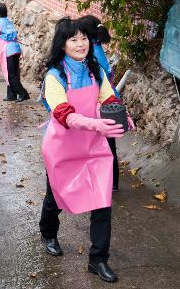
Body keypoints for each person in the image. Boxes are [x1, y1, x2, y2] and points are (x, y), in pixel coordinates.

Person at [39, 17, 134, 283]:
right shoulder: (55, 76)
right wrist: (98, 125)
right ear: (62, 44)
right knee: (55, 198)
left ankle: (98, 259)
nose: (81, 44)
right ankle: (48, 233)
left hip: (94, 147)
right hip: (62, 148)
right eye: (73, 39)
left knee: (103, 202)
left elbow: (109, 98)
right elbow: (64, 114)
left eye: (84, 39)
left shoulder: (95, 70)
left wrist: (122, 116)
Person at [79, 15, 131, 192]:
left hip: (101, 102)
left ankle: (108, 182)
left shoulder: (91, 53)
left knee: (104, 145)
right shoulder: (97, 48)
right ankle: (112, 182)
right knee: (108, 145)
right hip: (108, 101)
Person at [0, 2, 30, 102]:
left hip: (8, 50)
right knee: (13, 72)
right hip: (16, 48)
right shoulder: (9, 21)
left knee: (10, 74)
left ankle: (23, 93)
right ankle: (11, 95)